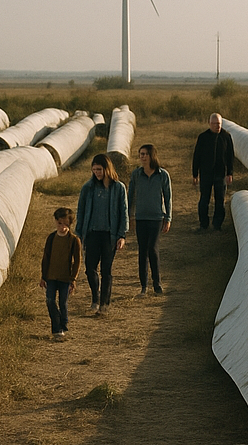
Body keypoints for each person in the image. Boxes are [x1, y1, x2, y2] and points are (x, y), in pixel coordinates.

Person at [76, 153, 128, 315]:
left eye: (99, 169)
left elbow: (123, 212)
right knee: (90, 268)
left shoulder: (119, 188)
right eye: (94, 170)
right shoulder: (88, 188)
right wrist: (78, 234)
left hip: (109, 235)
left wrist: (122, 235)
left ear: (107, 169)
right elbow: (81, 212)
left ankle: (104, 303)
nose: (97, 173)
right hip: (92, 233)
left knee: (106, 270)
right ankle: (95, 298)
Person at [128, 143, 172, 296]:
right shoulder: (136, 174)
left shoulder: (162, 175)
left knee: (153, 249)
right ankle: (143, 286)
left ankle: (157, 284)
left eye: (145, 154)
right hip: (141, 217)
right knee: (142, 251)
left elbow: (168, 197)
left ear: (152, 155)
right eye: (141, 154)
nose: (142, 157)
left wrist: (168, 218)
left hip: (156, 217)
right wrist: (130, 215)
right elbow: (131, 195)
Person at [39, 207, 81, 341]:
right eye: (60, 223)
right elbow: (46, 257)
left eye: (65, 224)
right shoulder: (51, 238)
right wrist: (43, 276)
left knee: (63, 303)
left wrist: (73, 279)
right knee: (50, 300)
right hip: (51, 276)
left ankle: (63, 324)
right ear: (55, 222)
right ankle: (57, 327)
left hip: (65, 277)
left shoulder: (74, 240)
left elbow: (77, 261)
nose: (62, 227)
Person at [191, 112, 234, 231]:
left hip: (221, 174)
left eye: (219, 123)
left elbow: (230, 156)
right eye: (214, 124)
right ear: (209, 124)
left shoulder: (226, 136)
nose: (217, 126)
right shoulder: (203, 137)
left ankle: (217, 224)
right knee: (204, 199)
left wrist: (230, 173)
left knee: (220, 200)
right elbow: (197, 156)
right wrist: (195, 174)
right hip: (206, 174)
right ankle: (203, 224)